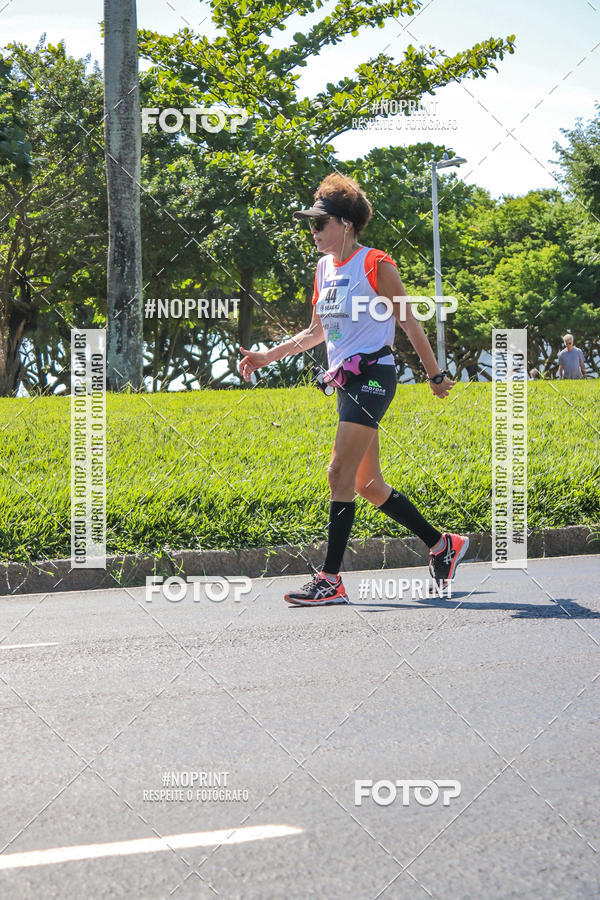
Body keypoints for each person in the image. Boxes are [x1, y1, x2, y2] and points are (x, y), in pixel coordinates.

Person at [238, 173, 470, 606]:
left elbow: (408, 321)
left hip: (374, 377)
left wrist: (435, 375)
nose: (312, 231)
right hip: (345, 382)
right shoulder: (324, 268)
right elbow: (314, 333)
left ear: (345, 224)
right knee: (367, 484)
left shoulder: (376, 263)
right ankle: (443, 545)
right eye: (310, 223)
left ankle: (330, 579)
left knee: (337, 473)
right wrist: (266, 356)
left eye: (319, 223)